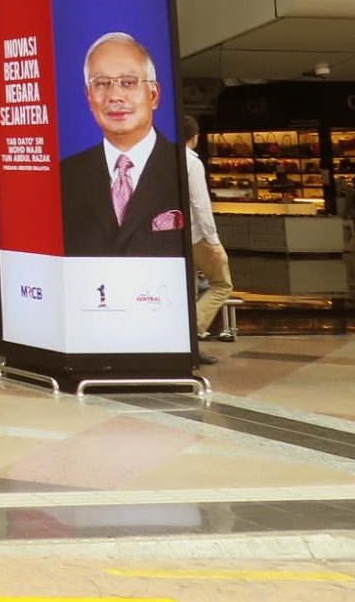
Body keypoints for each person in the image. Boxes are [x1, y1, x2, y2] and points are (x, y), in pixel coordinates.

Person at [59, 33, 187, 258]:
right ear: (89, 96)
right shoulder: (65, 175)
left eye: (128, 83)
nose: (115, 96)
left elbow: (205, 242)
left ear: (154, 95)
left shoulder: (184, 166)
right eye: (102, 83)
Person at [184, 122, 232, 364]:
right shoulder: (192, 162)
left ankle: (188, 346)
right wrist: (213, 240)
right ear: (195, 137)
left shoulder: (166, 159)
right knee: (222, 284)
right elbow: (200, 204)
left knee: (188, 290)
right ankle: (191, 332)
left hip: (177, 235)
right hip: (198, 236)